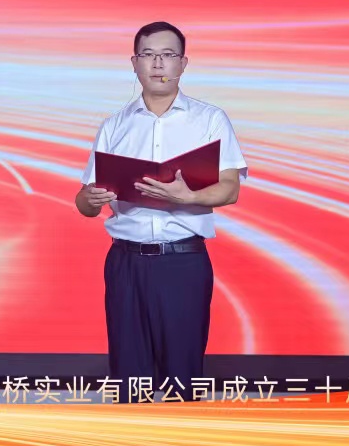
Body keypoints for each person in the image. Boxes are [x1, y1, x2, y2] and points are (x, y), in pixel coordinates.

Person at [74, 21, 247, 399]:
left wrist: (189, 197)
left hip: (183, 262)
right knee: (129, 376)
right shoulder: (114, 126)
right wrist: (91, 200)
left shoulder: (209, 119)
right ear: (134, 63)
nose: (158, 64)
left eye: (168, 55)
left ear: (183, 63)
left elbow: (230, 188)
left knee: (181, 376)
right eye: (148, 55)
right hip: (125, 263)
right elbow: (85, 201)